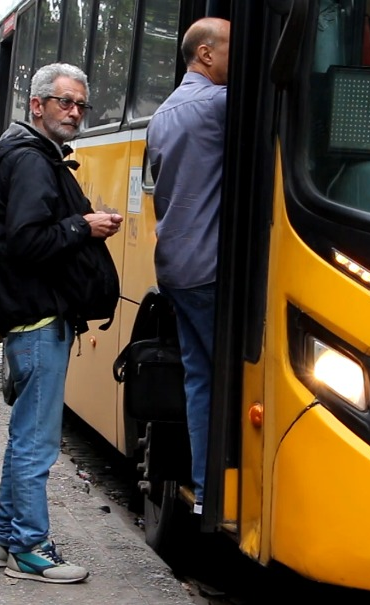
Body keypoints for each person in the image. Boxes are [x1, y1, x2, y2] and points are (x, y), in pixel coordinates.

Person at [0, 62, 122, 584]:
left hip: (34, 314)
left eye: (81, 104)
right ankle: (29, 548)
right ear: (37, 105)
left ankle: (5, 539)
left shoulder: (32, 157)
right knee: (36, 442)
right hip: (39, 316)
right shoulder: (32, 162)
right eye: (65, 102)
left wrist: (79, 227)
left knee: (26, 436)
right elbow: (24, 241)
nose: (75, 112)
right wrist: (81, 225)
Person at [145, 17, 230, 514]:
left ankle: (203, 487)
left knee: (200, 377)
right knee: (227, 378)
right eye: (233, 51)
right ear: (204, 54)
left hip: (175, 264)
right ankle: (219, 488)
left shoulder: (165, 112)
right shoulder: (216, 106)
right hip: (208, 266)